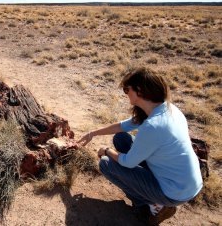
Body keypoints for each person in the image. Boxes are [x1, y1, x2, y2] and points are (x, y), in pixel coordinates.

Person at [77, 67, 203, 225]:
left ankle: (151, 205)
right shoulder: (168, 109)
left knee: (105, 164)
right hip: (185, 181)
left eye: (126, 89)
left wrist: (107, 151)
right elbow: (123, 127)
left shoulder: (153, 126)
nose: (125, 93)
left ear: (139, 91)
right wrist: (92, 133)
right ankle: (153, 200)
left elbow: (127, 162)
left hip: (175, 192)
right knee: (121, 138)